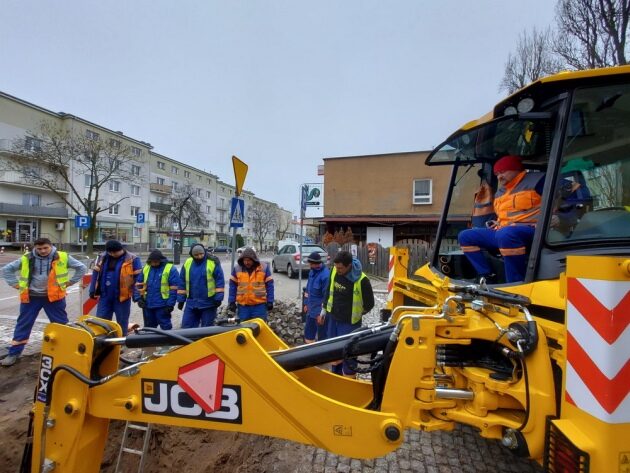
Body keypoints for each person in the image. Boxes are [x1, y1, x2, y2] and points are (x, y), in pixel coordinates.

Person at [458, 155, 545, 283]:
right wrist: (498, 222)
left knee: (506, 234)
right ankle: (487, 276)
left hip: (532, 230)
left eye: (503, 171)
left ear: (516, 169)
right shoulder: (501, 192)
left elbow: (567, 197)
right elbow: (508, 214)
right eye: (497, 173)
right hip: (505, 231)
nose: (499, 177)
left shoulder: (538, 181)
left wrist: (552, 221)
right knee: (465, 236)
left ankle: (515, 282)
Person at [1, 238, 87, 367]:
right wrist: (15, 284)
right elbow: (7, 269)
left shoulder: (62, 257)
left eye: (45, 248)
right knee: (23, 324)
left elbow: (81, 268)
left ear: (51, 246)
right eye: (39, 249)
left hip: (54, 298)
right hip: (31, 298)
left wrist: (70, 282)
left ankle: (66, 351)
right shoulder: (27, 258)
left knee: (61, 325)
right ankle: (14, 353)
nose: (42, 251)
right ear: (35, 248)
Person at [321, 250, 374, 376]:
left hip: (350, 324)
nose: (338, 270)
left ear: (349, 266)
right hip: (333, 319)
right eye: (336, 267)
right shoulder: (334, 271)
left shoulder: (362, 280)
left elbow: (370, 304)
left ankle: (349, 379)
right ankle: (336, 376)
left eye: (340, 268)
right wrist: (324, 309)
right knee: (334, 350)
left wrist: (357, 313)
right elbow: (329, 290)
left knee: (349, 353)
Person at [88, 239, 143, 335]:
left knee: (122, 322)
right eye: (110, 252)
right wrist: (92, 289)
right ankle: (103, 342)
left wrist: (137, 295)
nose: (113, 254)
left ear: (121, 249)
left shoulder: (132, 259)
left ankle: (121, 343)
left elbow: (138, 279)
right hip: (105, 296)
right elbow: (95, 272)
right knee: (101, 322)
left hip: (122, 297)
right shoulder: (103, 257)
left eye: (115, 252)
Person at [177, 243, 225, 328]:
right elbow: (182, 281)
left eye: (201, 254)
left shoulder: (212, 262)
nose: (199, 256)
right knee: (186, 327)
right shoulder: (188, 263)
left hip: (209, 303)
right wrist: (181, 300)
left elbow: (219, 280)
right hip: (191, 303)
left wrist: (218, 298)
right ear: (192, 255)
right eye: (196, 255)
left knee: (207, 329)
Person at [134, 250, 179, 330]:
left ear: (161, 260)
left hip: (163, 304)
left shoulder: (170, 269)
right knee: (149, 327)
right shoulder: (146, 268)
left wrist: (170, 304)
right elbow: (139, 284)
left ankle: (167, 341)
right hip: (148, 304)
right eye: (152, 262)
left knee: (165, 325)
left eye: (156, 262)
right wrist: (139, 298)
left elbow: (174, 289)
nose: (153, 264)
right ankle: (150, 342)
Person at [228, 247, 274, 321]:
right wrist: (231, 301)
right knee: (244, 328)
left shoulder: (263, 268)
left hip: (259, 306)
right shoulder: (237, 268)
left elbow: (270, 286)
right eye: (244, 260)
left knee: (259, 328)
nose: (246, 262)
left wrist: (270, 301)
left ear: (253, 260)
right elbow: (232, 286)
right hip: (243, 307)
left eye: (248, 260)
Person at [303, 251, 330, 343]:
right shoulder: (312, 272)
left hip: (319, 313)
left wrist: (321, 314)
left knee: (322, 338)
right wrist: (306, 303)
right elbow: (308, 290)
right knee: (308, 335)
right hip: (310, 310)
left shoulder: (325, 276)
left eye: (311, 263)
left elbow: (326, 297)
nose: (309, 265)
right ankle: (308, 353)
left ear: (316, 263)